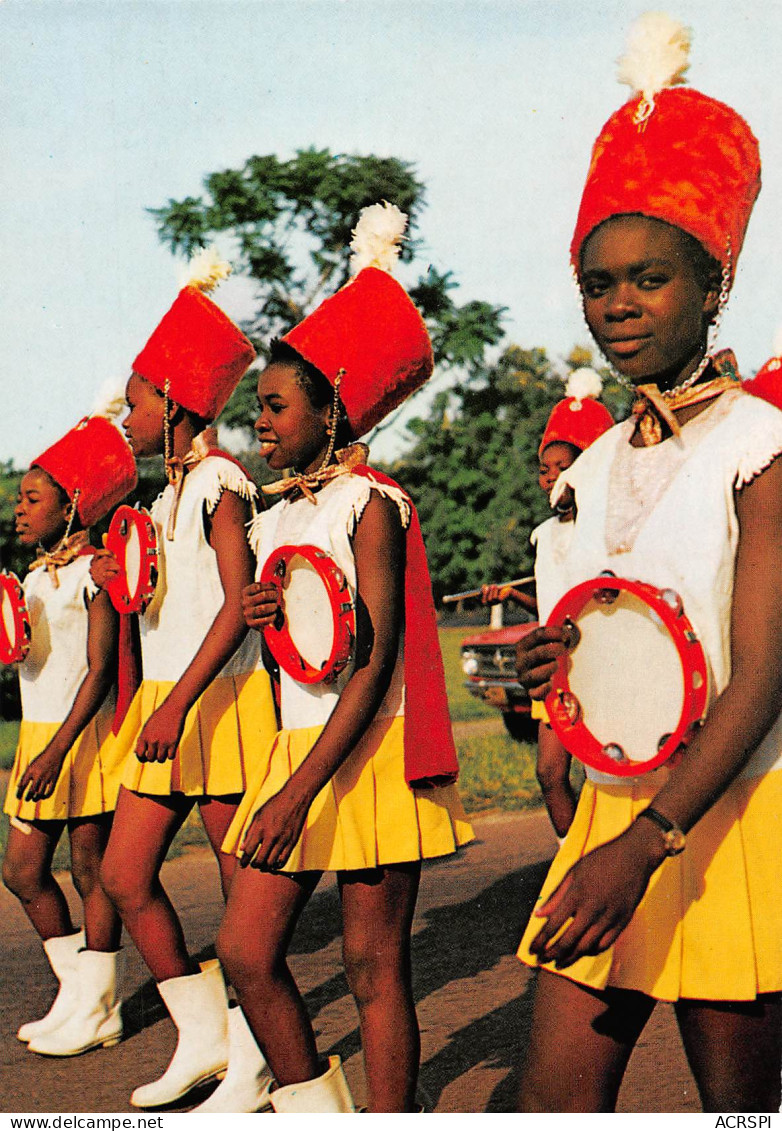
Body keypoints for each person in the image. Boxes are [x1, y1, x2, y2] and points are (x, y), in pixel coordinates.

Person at [514, 13, 782, 1113]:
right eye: (596, 282)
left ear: (710, 282)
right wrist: (551, 678)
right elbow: (604, 628)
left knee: (739, 1110)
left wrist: (649, 840)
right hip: (608, 813)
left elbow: (763, 671)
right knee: (552, 1102)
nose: (617, 305)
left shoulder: (758, 447)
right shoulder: (592, 464)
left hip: (719, 816)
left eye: (647, 279)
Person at [216, 203, 474, 1113]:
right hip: (296, 745)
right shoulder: (276, 514)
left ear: (333, 411)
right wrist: (258, 612)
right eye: (257, 407)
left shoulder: (371, 502)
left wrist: (299, 793)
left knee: (373, 965)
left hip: (363, 752)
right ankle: (317, 1108)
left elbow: (373, 660)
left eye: (279, 406)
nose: (263, 423)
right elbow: (305, 639)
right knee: (247, 951)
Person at [92, 252, 278, 1109]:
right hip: (168, 709)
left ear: (172, 401)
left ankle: (259, 1054)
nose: (124, 416)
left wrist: (177, 699)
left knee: (245, 897)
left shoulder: (220, 482)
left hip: (219, 701)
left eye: (134, 402)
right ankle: (204, 1037)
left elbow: (240, 603)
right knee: (126, 875)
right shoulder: (158, 496)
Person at [2, 401, 136, 1057]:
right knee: (22, 869)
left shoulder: (95, 571)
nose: (18, 510)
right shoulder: (30, 576)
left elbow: (102, 668)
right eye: (17, 500)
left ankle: (101, 1005)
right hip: (40, 733)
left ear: (70, 505)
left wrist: (58, 749)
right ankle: (78, 989)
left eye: (31, 499)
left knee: (91, 868)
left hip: (81, 737)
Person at [527, 369, 614, 840]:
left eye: (566, 468)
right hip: (557, 669)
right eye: (545, 469)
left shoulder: (607, 531)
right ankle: (571, 853)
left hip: (601, 666)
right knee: (550, 772)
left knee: (606, 773)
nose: (553, 479)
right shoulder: (544, 537)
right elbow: (549, 603)